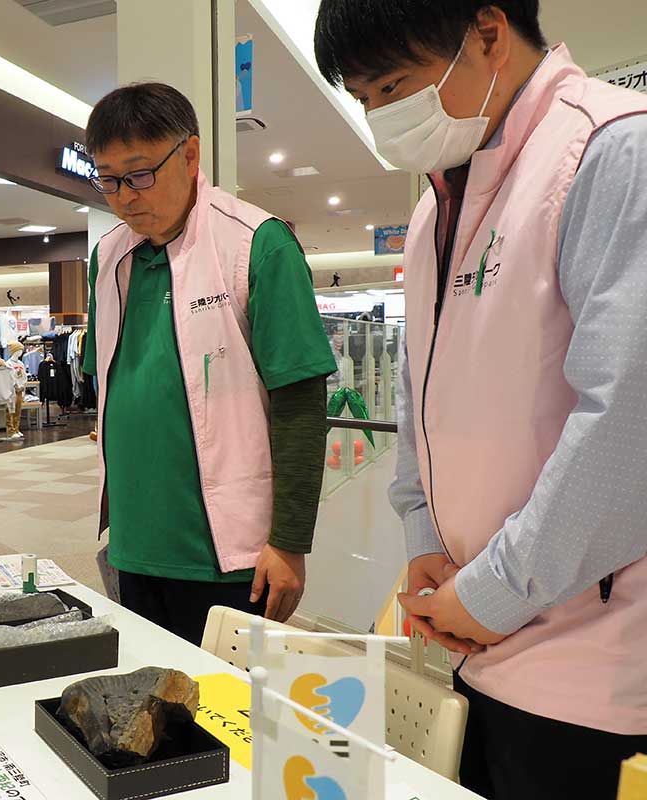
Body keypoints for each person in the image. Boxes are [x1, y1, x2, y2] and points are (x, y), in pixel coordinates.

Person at [314, 2, 647, 797]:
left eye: (393, 85)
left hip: (586, 665)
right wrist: (424, 536)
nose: (380, 117)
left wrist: (494, 591)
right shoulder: (439, 202)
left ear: (488, 34)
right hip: (471, 637)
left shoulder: (612, 150)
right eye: (363, 98)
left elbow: (627, 425)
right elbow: (420, 395)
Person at [82, 82, 337, 645]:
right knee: (147, 691)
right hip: (134, 542)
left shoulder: (256, 244)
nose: (124, 197)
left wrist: (290, 541)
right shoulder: (107, 257)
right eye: (108, 179)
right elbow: (109, 383)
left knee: (226, 698)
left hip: (230, 553)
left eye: (139, 174)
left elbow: (300, 403)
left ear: (190, 154)